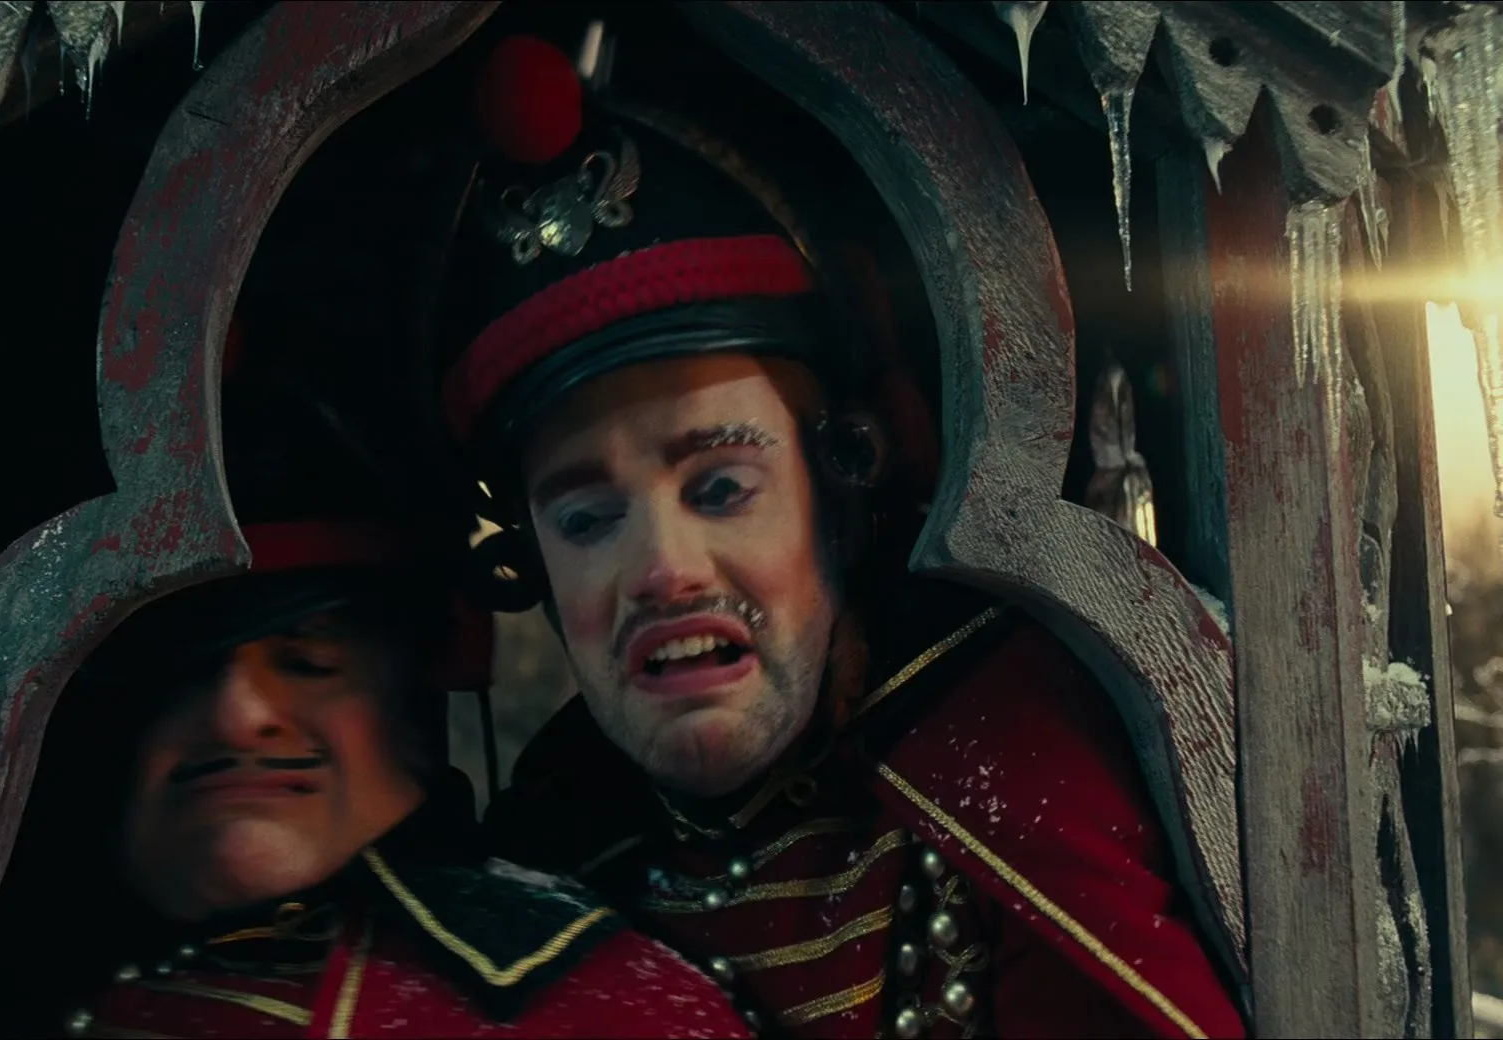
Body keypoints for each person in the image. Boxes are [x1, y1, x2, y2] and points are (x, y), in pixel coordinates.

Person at [423, 24, 1250, 1040]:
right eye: (588, 519)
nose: (663, 569)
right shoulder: (543, 856)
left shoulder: (1011, 752)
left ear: (842, 488)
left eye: (721, 488)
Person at [0, 320, 752, 1039]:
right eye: (178, 675)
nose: (238, 714)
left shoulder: (605, 1013)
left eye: (309, 662)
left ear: (419, 680)